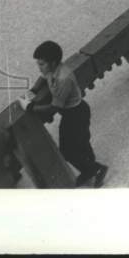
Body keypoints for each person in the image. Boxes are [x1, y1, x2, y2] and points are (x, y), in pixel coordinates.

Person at [22, 41, 108, 188]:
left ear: (53, 63)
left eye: (42, 64)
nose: (39, 67)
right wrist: (34, 90)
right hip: (73, 112)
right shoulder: (52, 70)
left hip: (75, 114)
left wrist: (31, 107)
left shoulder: (63, 79)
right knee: (81, 143)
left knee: (67, 151)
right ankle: (90, 168)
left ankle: (96, 169)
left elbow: (53, 107)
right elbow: (43, 77)